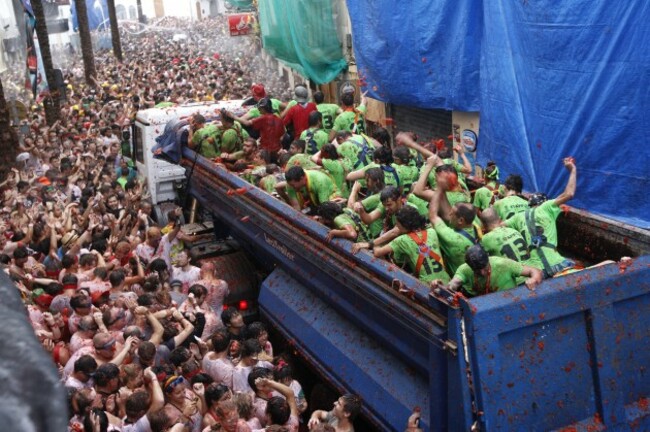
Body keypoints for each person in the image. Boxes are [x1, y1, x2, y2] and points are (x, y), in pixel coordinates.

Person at [505, 157, 578, 278]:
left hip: (536, 272)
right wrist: (573, 170)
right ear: (543, 202)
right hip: (558, 264)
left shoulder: (518, 217)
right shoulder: (547, 207)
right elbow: (569, 193)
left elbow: (497, 226)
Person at [372, 206, 450, 284]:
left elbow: (377, 252)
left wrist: (376, 243)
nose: (396, 225)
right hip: (447, 283)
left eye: (398, 223)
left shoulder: (402, 240)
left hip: (427, 286)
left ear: (404, 224)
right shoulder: (432, 232)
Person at [432, 244, 543, 297]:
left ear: (488, 258)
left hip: (508, 300)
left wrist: (533, 279)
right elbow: (453, 284)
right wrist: (442, 288)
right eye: (477, 271)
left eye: (485, 268)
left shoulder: (504, 264)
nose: (482, 273)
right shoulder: (464, 270)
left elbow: (535, 271)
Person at [229, 98, 285, 164]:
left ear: (263, 109)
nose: (259, 110)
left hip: (265, 151)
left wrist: (234, 117)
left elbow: (247, 123)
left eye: (260, 108)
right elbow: (282, 135)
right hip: (277, 151)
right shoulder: (279, 119)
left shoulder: (263, 118)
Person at [276, 166, 342, 212]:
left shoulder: (320, 181)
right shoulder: (291, 184)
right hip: (312, 201)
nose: (292, 187)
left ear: (301, 178)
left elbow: (325, 207)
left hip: (329, 198)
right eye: (290, 185)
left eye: (293, 185)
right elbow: (296, 207)